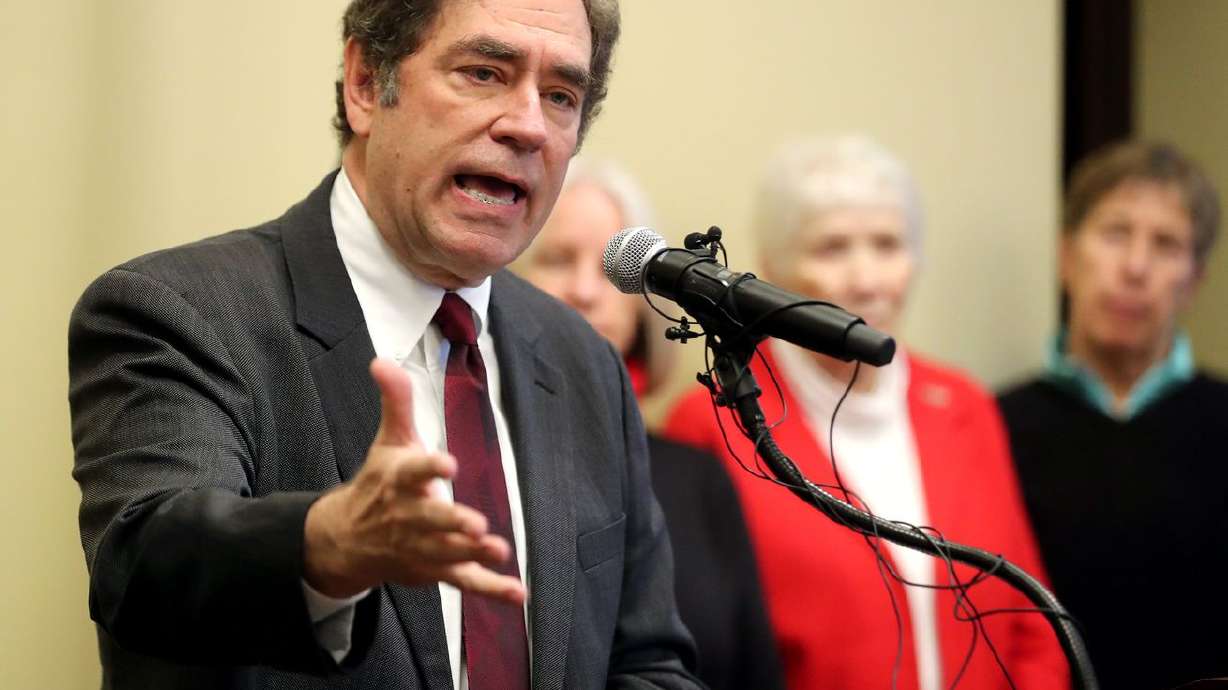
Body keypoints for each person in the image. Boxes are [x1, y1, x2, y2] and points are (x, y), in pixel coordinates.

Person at [66, 1, 704, 688]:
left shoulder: (582, 361)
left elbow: (646, 661)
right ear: (366, 82)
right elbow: (145, 567)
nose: (527, 125)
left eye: (560, 95)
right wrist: (328, 545)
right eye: (484, 73)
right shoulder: (183, 312)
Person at [663, 135, 1069, 690]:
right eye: (832, 248)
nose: (866, 280)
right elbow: (703, 644)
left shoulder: (963, 405)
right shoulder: (713, 418)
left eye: (887, 245)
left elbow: (1032, 623)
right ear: (772, 269)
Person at [513, 159, 786, 690]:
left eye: (610, 269)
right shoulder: (486, 460)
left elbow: (757, 667)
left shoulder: (697, 476)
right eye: (557, 260)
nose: (586, 291)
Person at [998, 140, 1228, 690]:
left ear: (1192, 281)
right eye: (1115, 233)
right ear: (1066, 257)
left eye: (1166, 244)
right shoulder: (992, 426)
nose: (1135, 266)